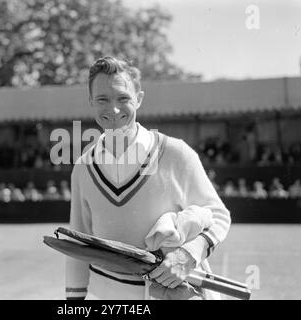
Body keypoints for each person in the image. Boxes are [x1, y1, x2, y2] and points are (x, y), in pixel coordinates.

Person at [65, 56, 231, 300]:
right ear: (91, 101)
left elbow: (218, 215)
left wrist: (188, 255)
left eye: (123, 98)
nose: (113, 109)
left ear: (139, 99)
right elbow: (78, 248)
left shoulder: (176, 152)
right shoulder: (83, 168)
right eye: (103, 99)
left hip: (172, 294)